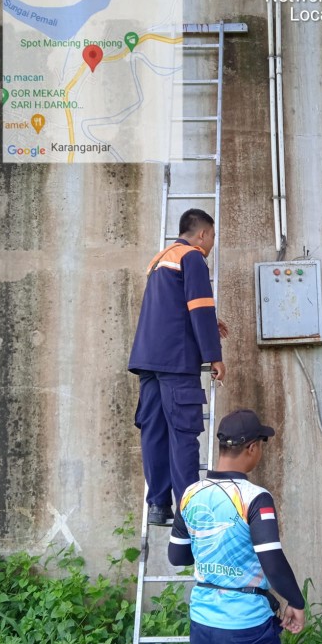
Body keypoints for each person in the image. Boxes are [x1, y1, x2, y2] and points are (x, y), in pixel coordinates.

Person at [168, 409, 306, 644]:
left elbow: (177, 556)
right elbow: (272, 561)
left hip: (203, 627)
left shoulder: (190, 494)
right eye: (261, 444)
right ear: (251, 448)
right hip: (246, 629)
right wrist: (296, 601)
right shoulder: (255, 498)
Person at [129, 208, 227, 525]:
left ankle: (158, 505)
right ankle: (188, 510)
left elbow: (173, 308)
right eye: (212, 236)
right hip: (176, 361)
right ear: (202, 234)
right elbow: (199, 307)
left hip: (148, 360)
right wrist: (214, 355)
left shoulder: (160, 260)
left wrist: (209, 322)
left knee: (154, 432)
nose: (212, 243)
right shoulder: (192, 257)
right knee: (183, 433)